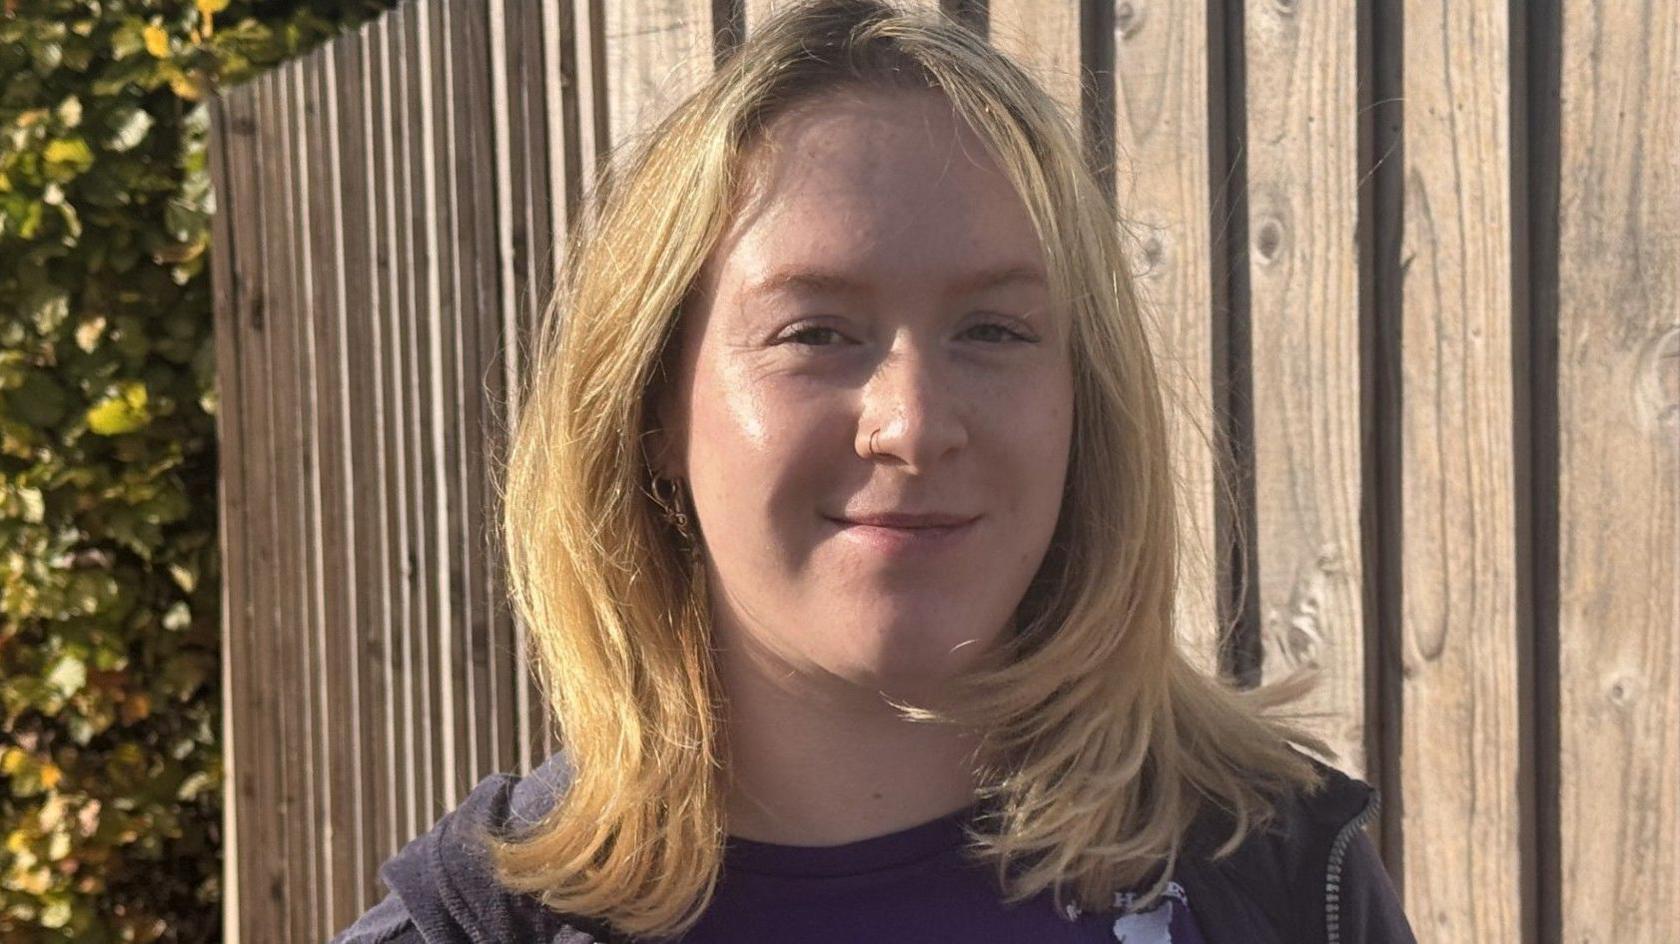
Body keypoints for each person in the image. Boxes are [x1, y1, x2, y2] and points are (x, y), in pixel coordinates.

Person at [332, 1, 1417, 941]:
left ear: (1083, 401)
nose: (913, 424)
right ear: (654, 408)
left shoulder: (1278, 882)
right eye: (815, 331)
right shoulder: (472, 928)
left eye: (993, 330)